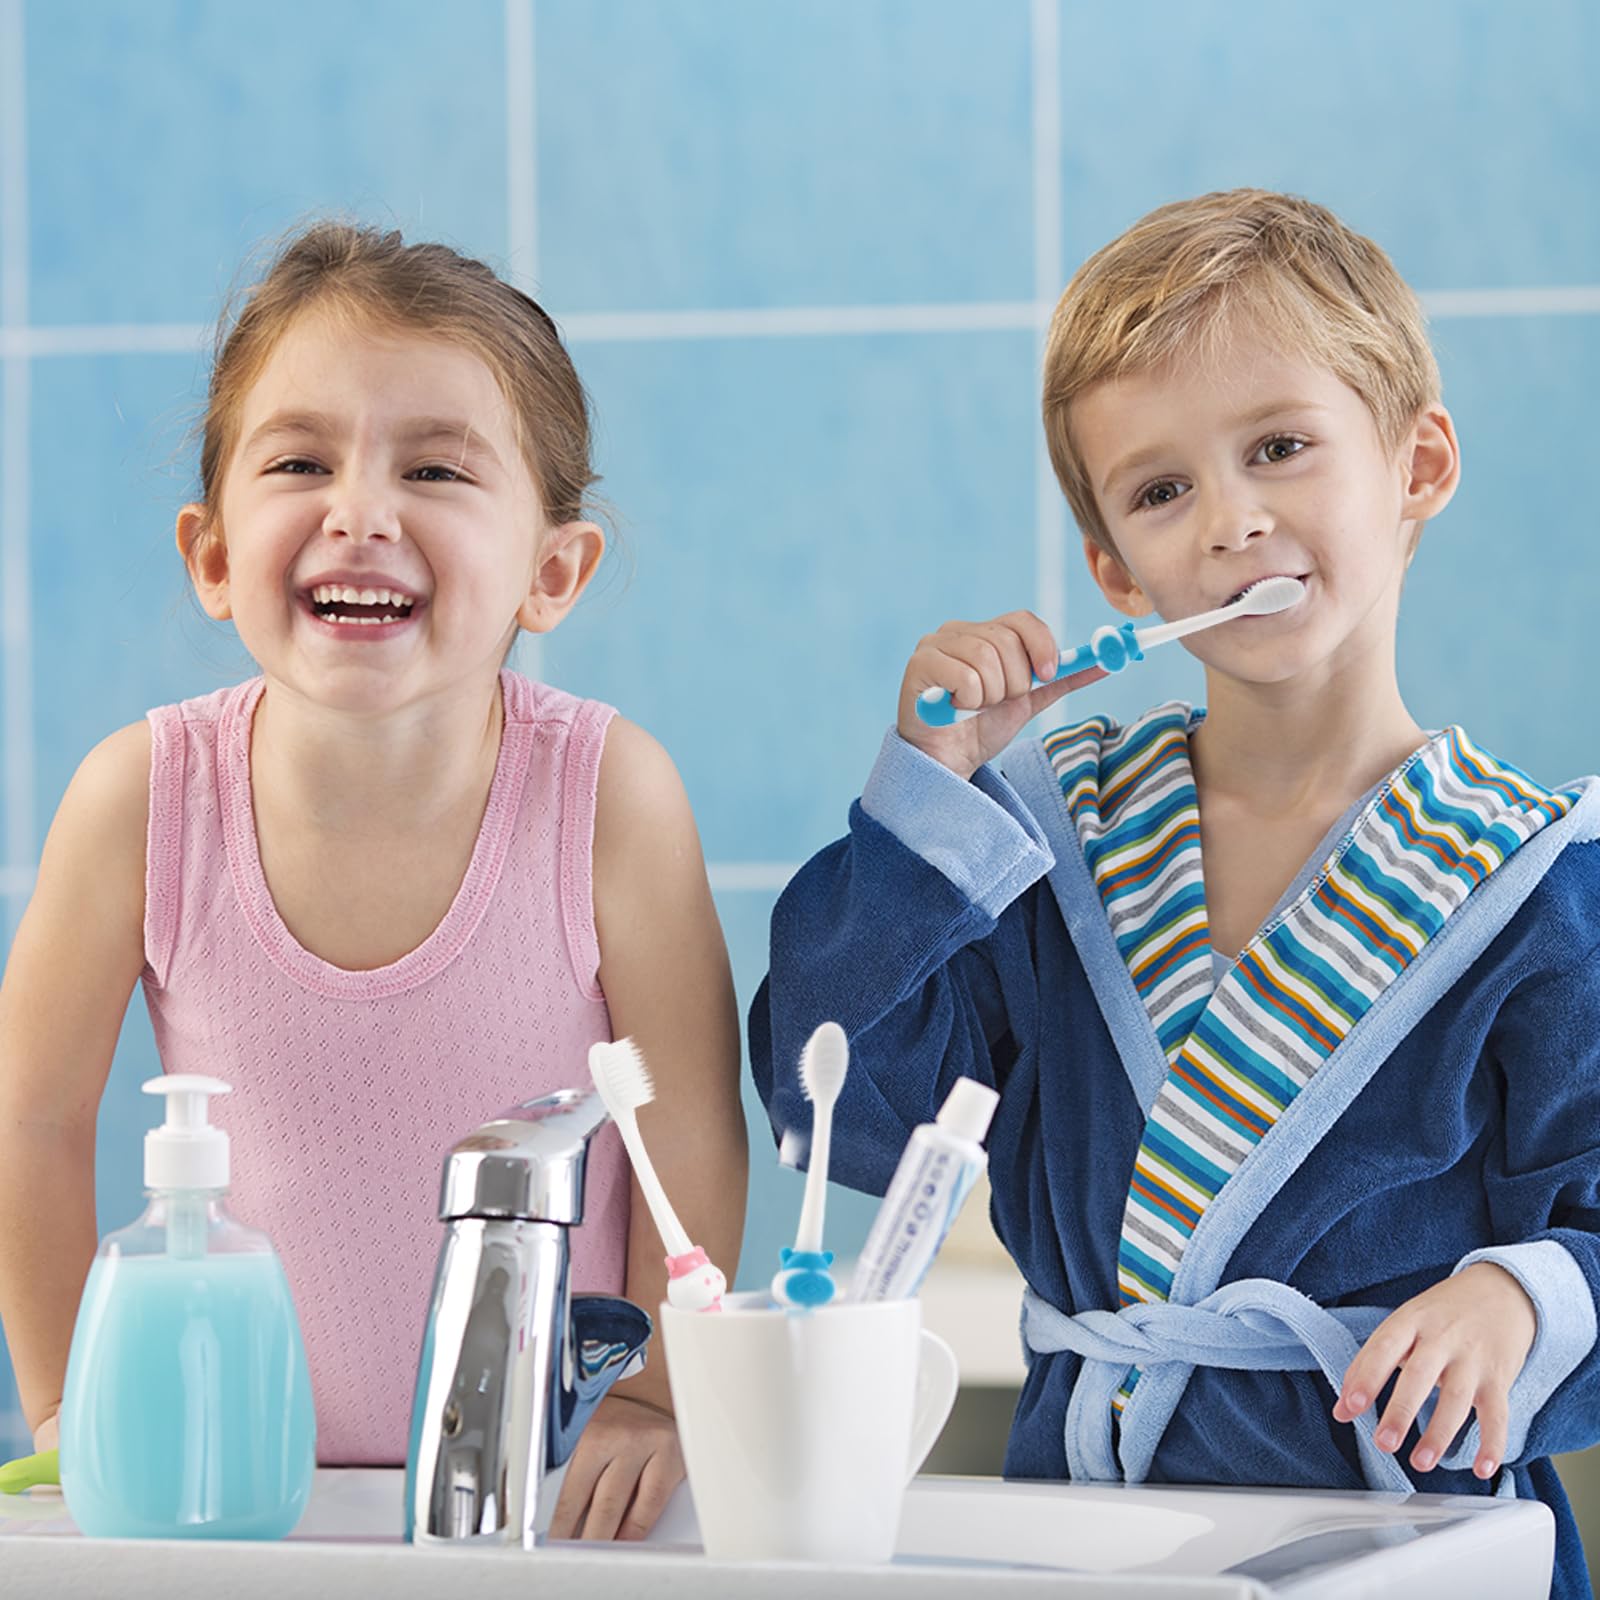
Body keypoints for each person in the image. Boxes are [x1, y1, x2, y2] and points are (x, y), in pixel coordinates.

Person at [751, 189, 1600, 1596]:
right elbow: (830, 1106)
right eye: (1161, 491)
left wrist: (1521, 1299)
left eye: (1280, 446)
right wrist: (931, 802)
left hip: (1415, 1548)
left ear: (1419, 464)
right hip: (1099, 1542)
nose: (1232, 520)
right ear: (1117, 574)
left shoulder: (1537, 882)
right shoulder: (1041, 842)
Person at [0, 221, 746, 1541]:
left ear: (551, 571)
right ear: (214, 552)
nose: (359, 509)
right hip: (232, 1485)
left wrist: (658, 1398)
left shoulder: (609, 795)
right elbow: (32, 1123)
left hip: (548, 1484)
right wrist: (69, 1413)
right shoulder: (144, 799)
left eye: (438, 468)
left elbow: (686, 1125)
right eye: (299, 461)